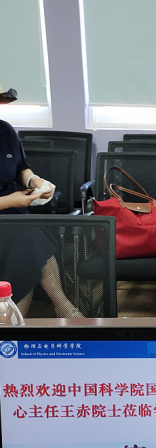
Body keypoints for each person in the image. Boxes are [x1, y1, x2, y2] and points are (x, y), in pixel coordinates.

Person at [0, 119, 83, 318]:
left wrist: (35, 181)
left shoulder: (5, 130)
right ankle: (64, 307)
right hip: (10, 215)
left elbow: (21, 168)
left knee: (30, 240)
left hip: (14, 219)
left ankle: (12, 323)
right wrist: (8, 201)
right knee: (30, 243)